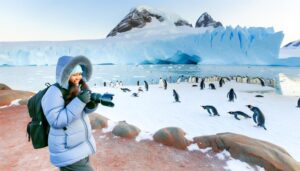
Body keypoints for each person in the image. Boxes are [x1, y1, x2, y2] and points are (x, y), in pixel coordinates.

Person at [41, 55, 98, 170]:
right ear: (65, 74)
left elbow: (82, 112)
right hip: (67, 149)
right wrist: (80, 101)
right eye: (75, 74)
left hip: (79, 146)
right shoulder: (54, 92)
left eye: (80, 74)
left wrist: (92, 103)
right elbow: (56, 121)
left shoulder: (77, 88)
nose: (78, 77)